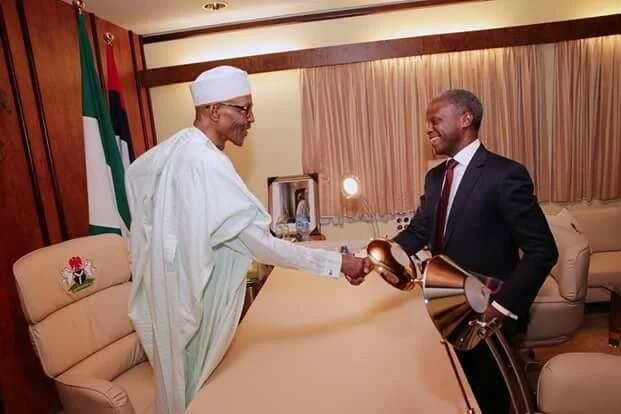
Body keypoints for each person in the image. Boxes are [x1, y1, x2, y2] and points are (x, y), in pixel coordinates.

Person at [125, 66, 367, 414]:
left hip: (173, 290)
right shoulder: (205, 162)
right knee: (192, 394)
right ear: (213, 111)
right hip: (193, 300)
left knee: (179, 388)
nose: (250, 119)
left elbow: (136, 176)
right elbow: (260, 243)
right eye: (243, 109)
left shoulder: (178, 147)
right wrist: (339, 263)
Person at [384, 89, 558, 413]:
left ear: (465, 120)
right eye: (427, 122)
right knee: (457, 386)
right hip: (445, 305)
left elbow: (542, 250)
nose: (428, 129)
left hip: (489, 309)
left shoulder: (505, 175)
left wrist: (501, 310)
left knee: (491, 393)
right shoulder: (435, 177)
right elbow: (421, 229)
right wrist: (385, 254)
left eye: (435, 120)